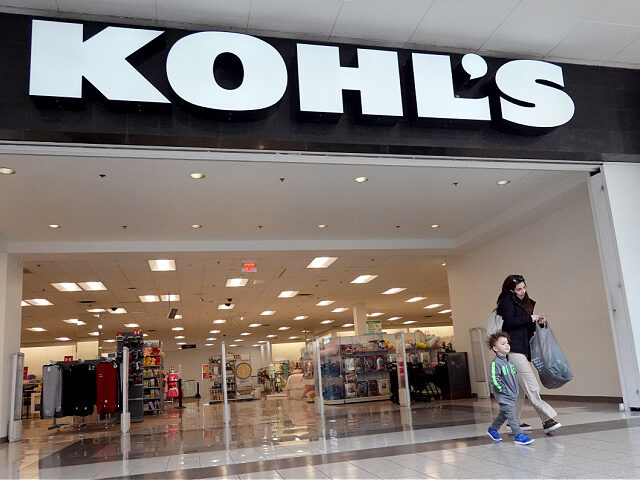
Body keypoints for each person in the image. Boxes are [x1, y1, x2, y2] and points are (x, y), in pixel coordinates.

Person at [497, 274, 561, 433]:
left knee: (518, 392)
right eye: (519, 289)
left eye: (524, 287)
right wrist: (529, 318)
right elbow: (509, 323)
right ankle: (547, 420)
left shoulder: (521, 302)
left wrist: (538, 322)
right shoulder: (506, 300)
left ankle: (513, 423)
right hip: (512, 350)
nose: (522, 291)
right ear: (511, 289)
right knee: (531, 386)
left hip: (521, 349)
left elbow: (525, 329)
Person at [486, 331, 534, 445]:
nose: (507, 345)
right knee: (512, 416)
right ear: (495, 348)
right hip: (504, 395)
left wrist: (514, 389)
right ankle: (518, 435)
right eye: (503, 344)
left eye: (507, 343)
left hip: (512, 393)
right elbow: (494, 378)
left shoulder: (510, 360)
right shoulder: (495, 363)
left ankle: (492, 429)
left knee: (504, 413)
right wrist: (503, 390)